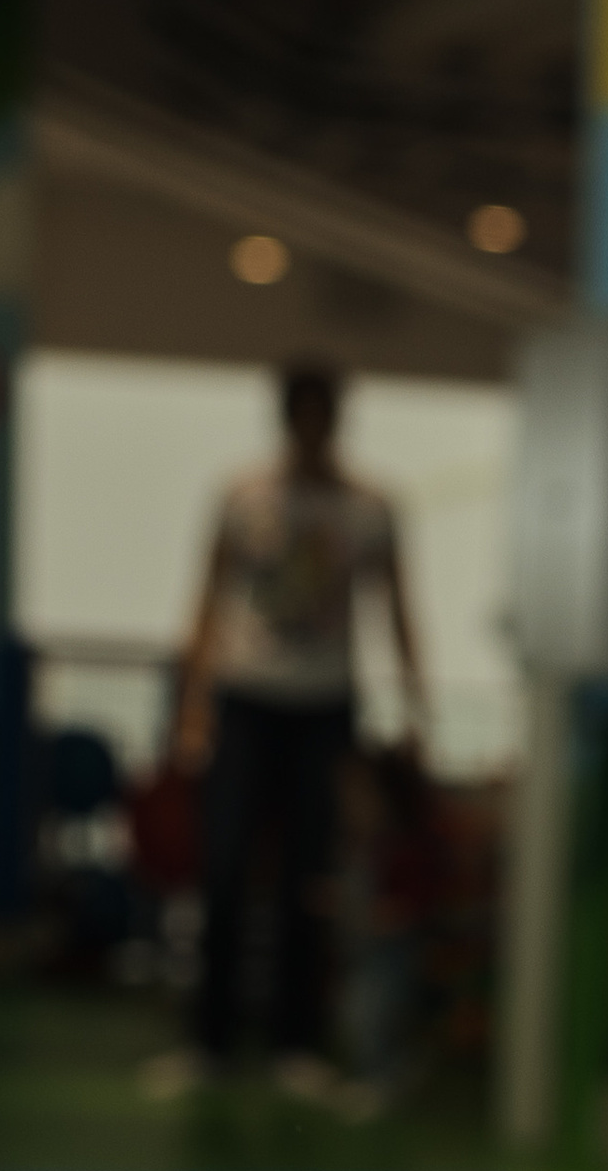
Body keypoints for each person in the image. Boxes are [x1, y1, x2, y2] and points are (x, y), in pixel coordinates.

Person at [142, 363, 426, 1106]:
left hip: (326, 707)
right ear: (284, 419)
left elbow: (397, 602)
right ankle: (207, 1044)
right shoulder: (244, 496)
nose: (310, 431)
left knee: (312, 880)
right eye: (299, 416)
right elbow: (206, 598)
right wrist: (191, 706)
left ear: (335, 421)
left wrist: (416, 699)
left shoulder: (371, 508)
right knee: (226, 868)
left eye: (321, 416)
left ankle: (297, 1046)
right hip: (244, 700)